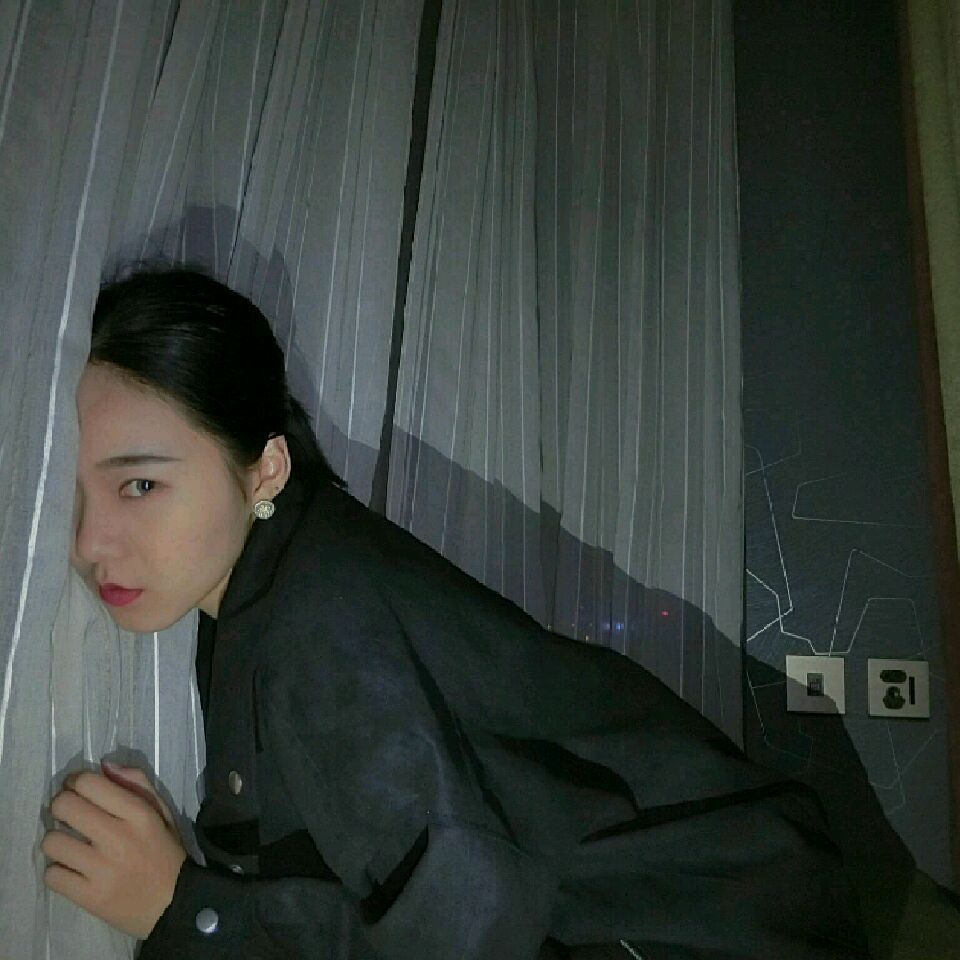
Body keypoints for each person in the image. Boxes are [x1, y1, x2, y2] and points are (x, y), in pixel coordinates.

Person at [50, 264, 872, 959]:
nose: (90, 543)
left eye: (141, 485)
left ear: (265, 468)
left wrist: (185, 908)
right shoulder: (270, 578)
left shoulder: (318, 622)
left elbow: (466, 938)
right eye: (74, 493)